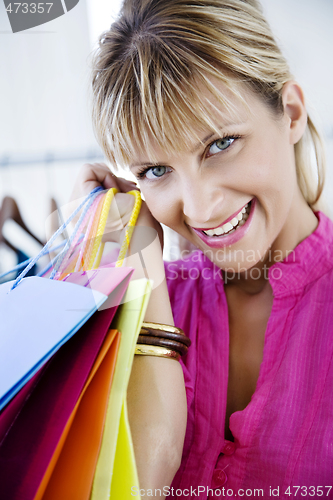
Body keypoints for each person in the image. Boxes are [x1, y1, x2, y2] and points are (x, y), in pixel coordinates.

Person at [70, 0, 333, 497]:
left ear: (291, 114)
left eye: (219, 144)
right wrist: (131, 273)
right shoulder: (136, 303)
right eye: (156, 170)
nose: (201, 208)